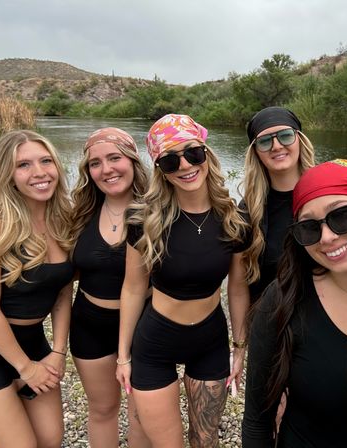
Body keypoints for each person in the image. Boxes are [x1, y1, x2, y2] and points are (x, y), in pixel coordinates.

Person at [116, 114, 250, 448]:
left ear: (207, 153)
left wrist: (240, 346)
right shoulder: (144, 219)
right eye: (170, 160)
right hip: (155, 341)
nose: (185, 165)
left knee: (205, 441)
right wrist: (122, 357)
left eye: (193, 153)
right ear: (160, 168)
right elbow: (132, 288)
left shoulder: (234, 221)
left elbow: (237, 287)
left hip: (210, 339)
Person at [242, 159, 347, 447]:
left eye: (341, 215)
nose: (327, 237)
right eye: (309, 228)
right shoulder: (282, 301)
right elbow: (257, 421)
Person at [0, 130, 74, 447]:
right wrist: (25, 368)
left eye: (45, 161)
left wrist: (57, 351)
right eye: (23, 165)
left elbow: (63, 293)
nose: (39, 172)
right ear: (8, 175)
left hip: (34, 344)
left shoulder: (63, 221)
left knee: (50, 440)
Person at [70, 128, 150, 447]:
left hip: (144, 325)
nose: (106, 170)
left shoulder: (157, 210)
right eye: (96, 163)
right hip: (88, 324)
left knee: (140, 412)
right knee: (102, 409)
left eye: (115, 158)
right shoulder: (79, 212)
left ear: (132, 160)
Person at [241, 106, 315, 304]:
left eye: (285, 135)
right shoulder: (248, 210)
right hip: (268, 323)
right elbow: (239, 284)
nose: (276, 146)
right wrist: (241, 335)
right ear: (255, 152)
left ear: (299, 139)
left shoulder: (323, 194)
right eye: (265, 141)